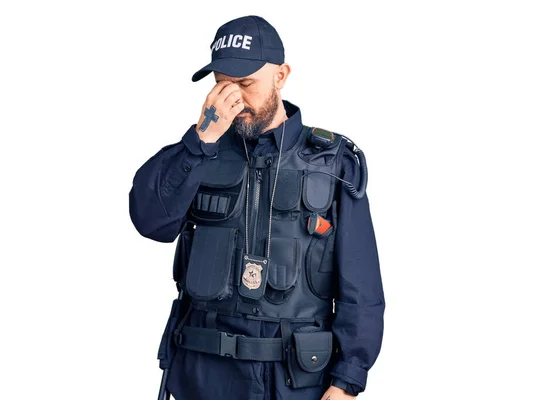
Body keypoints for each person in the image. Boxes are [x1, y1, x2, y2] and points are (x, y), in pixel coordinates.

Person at [128, 15, 385, 400]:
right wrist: (199, 141)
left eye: (246, 84)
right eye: (221, 85)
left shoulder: (332, 164)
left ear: (281, 76)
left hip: (293, 383)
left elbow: (361, 286)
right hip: (202, 377)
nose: (232, 98)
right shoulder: (199, 154)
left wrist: (347, 379)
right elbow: (150, 220)